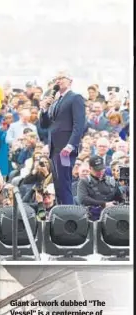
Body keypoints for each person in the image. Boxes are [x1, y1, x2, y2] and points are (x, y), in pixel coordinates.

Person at [40, 72, 86, 205]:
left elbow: (79, 124)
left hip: (66, 148)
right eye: (56, 79)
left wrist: (71, 144)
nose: (58, 81)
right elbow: (44, 125)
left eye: (61, 78)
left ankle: (68, 214)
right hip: (54, 148)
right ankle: (61, 211)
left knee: (65, 183)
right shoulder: (54, 101)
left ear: (70, 81)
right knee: (57, 184)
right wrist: (44, 110)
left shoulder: (75, 98)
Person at [77, 156, 125, 220]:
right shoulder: (84, 182)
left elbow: (120, 199)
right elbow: (83, 199)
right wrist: (104, 204)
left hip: (112, 216)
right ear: (90, 168)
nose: (100, 172)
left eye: (101, 169)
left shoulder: (111, 181)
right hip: (92, 217)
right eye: (96, 170)